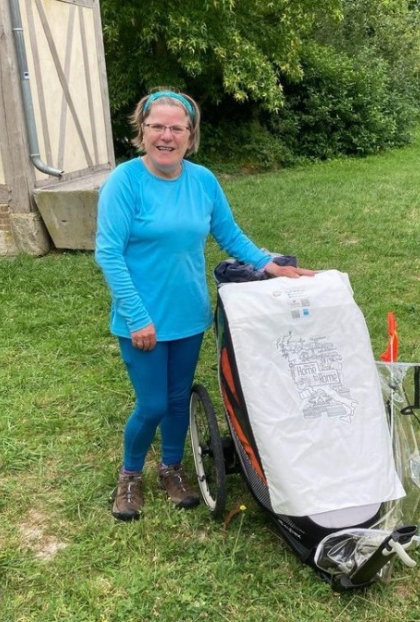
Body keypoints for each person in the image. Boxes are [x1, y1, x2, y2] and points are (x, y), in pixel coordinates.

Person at [95, 89, 315, 522]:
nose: (166, 135)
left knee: (178, 399)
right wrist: (137, 316)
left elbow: (229, 235)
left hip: (188, 313)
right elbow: (108, 252)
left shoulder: (203, 181)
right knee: (153, 403)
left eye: (176, 127)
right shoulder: (125, 182)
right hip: (142, 321)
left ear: (190, 136)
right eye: (156, 126)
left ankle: (172, 469)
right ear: (142, 131)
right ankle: (130, 476)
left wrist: (270, 265)